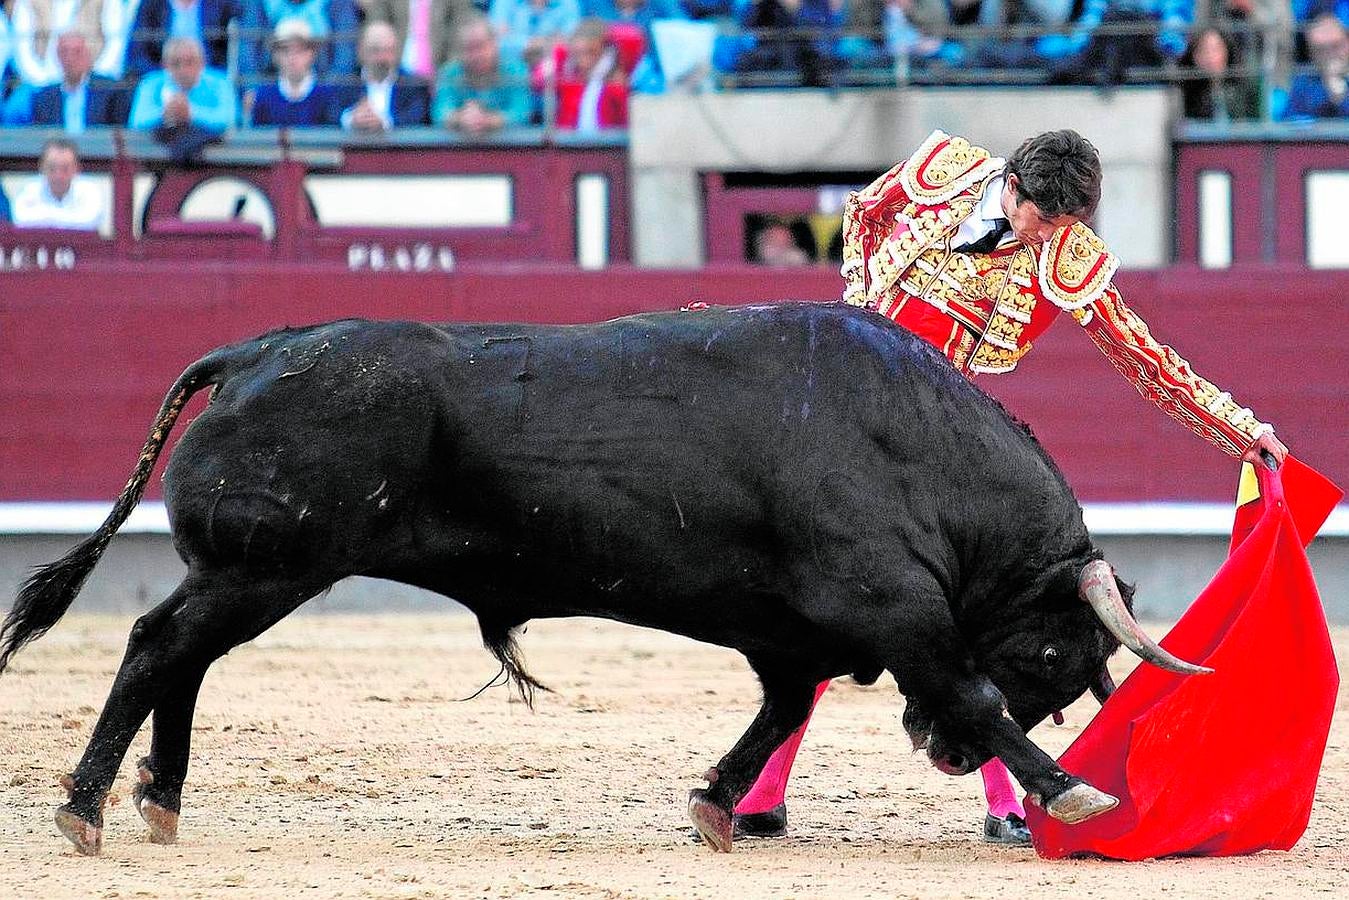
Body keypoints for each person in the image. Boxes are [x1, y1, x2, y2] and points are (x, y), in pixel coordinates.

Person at [732, 128, 1289, 846]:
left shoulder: (1067, 257)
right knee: (819, 608)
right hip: (845, 429)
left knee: (971, 620)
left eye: (1067, 226)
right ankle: (761, 793)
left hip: (938, 446)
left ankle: (1000, 800)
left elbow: (1144, 358)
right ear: (1012, 188)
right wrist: (859, 318)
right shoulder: (942, 172)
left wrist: (1239, 430)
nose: (1049, 237)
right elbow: (866, 211)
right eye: (1041, 220)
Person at [432, 14, 532, 133]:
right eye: (469, 49)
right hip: (461, 148)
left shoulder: (516, 70)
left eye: (481, 46)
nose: (476, 55)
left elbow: (522, 113)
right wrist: (461, 117)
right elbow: (439, 113)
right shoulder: (449, 73)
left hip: (510, 148)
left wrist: (488, 120)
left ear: (494, 44)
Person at [531, 16, 631, 129]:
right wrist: (559, 53)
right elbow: (538, 81)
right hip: (570, 142)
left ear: (604, 50)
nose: (582, 61)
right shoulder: (567, 76)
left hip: (607, 143)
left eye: (590, 52)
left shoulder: (615, 84)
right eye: (577, 53)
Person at [334, 20, 432, 130]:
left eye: (388, 51)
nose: (382, 58)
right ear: (360, 51)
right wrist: (351, 119)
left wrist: (385, 123)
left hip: (398, 146)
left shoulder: (413, 85)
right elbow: (330, 114)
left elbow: (417, 118)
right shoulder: (345, 82)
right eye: (376, 51)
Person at [237, 0, 361, 83]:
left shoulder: (340, 3)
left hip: (322, 86)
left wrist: (331, 92)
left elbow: (345, 55)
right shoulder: (257, 3)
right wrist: (251, 89)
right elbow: (248, 49)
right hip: (270, 84)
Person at [29, 31, 131, 130]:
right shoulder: (44, 98)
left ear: (88, 55)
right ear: (57, 57)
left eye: (77, 52)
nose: (70, 58)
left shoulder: (110, 91)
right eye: (64, 52)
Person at [249, 17, 338, 125]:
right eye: (285, 50)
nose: (292, 57)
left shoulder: (327, 94)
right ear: (275, 55)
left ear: (312, 54)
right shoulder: (263, 95)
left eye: (300, 50)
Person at [9, 137, 107, 231]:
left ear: (77, 169)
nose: (58, 175)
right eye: (52, 168)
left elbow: (89, 221)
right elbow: (20, 218)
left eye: (65, 169)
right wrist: (68, 218)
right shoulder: (29, 189)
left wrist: (45, 215)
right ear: (41, 167)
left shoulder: (90, 190)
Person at [125, 0, 242, 76]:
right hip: (161, 80)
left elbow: (230, 52)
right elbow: (137, 53)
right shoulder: (151, 4)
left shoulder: (222, 4)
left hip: (208, 79)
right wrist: (167, 77)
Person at [366, 0, 477, 80]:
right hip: (395, 74)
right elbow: (375, 27)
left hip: (440, 73)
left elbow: (461, 35)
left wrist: (446, 75)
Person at [1179, 25, 1259, 119]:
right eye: (1203, 50)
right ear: (1193, 56)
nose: (1210, 57)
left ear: (1227, 51)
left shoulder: (1246, 89)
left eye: (1215, 49)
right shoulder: (1184, 93)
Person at [1283, 12, 1349, 118]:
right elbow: (1290, 122)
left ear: (1347, 42)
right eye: (1321, 49)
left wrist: (1341, 97)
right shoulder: (1303, 85)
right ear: (1311, 53)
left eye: (1335, 46)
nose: (1330, 54)